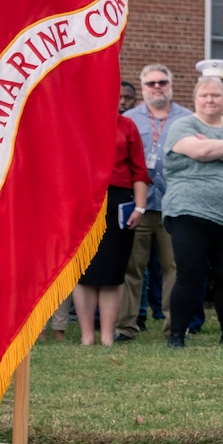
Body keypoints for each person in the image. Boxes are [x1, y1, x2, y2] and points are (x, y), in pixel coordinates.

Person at [162, 76, 223, 347]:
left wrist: (213, 149)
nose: (209, 100)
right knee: (188, 275)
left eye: (215, 96)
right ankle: (177, 335)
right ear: (195, 99)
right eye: (204, 95)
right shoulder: (182, 125)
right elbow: (201, 150)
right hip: (189, 212)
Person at [117, 64, 190, 341]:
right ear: (142, 87)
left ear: (170, 85)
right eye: (151, 84)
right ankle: (127, 326)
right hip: (139, 205)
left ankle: (174, 327)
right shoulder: (129, 119)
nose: (157, 87)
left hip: (175, 204)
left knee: (175, 266)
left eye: (162, 82)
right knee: (132, 266)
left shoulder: (186, 118)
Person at [74, 109, 149, 345]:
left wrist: (140, 208)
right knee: (83, 271)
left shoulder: (126, 126)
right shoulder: (76, 122)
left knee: (113, 271)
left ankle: (107, 336)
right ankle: (87, 336)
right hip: (82, 199)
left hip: (118, 200)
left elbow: (139, 170)